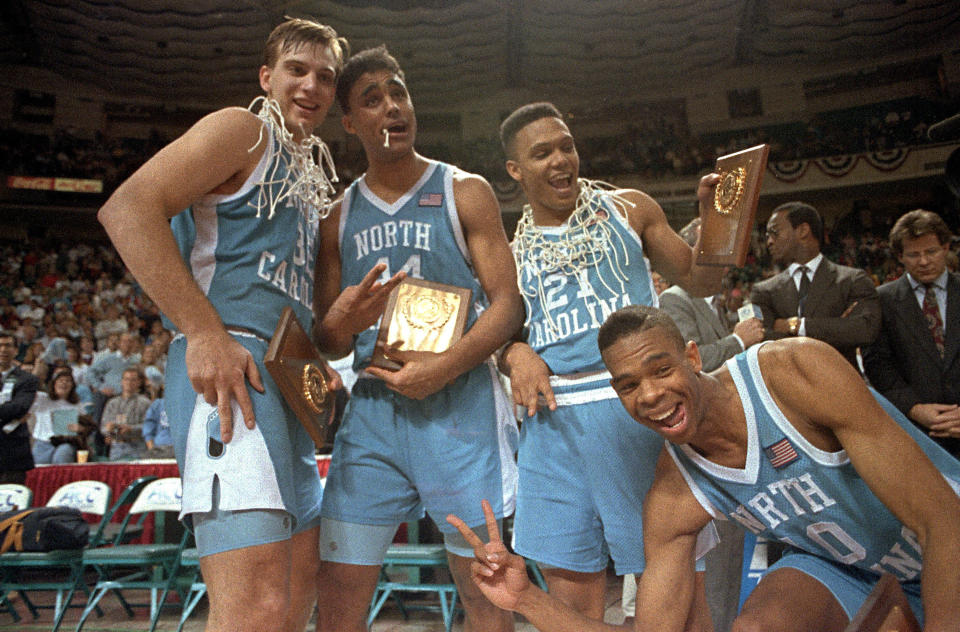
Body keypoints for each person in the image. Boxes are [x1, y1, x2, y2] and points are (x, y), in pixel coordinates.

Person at [450, 304, 960, 632]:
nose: (650, 395)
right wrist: (527, 600)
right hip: (850, 569)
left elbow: (943, 520)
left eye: (662, 369)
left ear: (693, 356)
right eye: (628, 386)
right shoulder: (675, 496)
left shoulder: (792, 372)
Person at [97, 18, 349, 632]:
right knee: (253, 606)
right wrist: (205, 332)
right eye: (297, 69)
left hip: (284, 385)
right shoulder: (243, 130)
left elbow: (297, 314)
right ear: (267, 77)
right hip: (228, 370)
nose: (311, 85)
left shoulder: (312, 178)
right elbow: (127, 208)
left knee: (294, 596)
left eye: (325, 76)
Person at [312, 46, 524, 632]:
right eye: (372, 99)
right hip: (374, 417)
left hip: (459, 412)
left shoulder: (465, 190)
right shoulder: (337, 217)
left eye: (398, 92)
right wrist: (344, 323)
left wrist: (446, 367)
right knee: (339, 590)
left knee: (486, 592)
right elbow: (325, 338)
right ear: (351, 122)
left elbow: (508, 305)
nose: (392, 107)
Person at [494, 102, 721, 624]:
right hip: (553, 427)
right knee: (570, 604)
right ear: (515, 171)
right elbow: (496, 329)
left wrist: (712, 219)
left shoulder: (630, 209)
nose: (560, 160)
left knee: (684, 606)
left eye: (566, 146)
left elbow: (703, 280)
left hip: (640, 411)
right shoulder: (509, 250)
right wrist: (515, 352)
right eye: (542, 153)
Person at [655, 217, 763, 631]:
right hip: (701, 453)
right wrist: (738, 341)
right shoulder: (676, 300)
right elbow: (684, 367)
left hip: (729, 445)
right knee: (714, 570)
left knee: (728, 567)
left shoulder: (717, 302)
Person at [863, 209, 960, 459]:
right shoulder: (882, 299)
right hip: (917, 434)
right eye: (914, 254)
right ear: (900, 256)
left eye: (931, 252)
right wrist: (915, 409)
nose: (924, 261)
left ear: (946, 247)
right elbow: (878, 365)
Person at [750, 201, 880, 369]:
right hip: (788, 388)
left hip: (843, 385)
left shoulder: (853, 280)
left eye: (774, 232)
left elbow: (864, 329)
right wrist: (835, 328)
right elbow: (758, 338)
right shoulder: (762, 291)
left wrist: (796, 325)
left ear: (803, 230)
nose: (769, 241)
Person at [29, 367, 95, 464]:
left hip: (66, 442)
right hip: (43, 442)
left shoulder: (77, 404)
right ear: (54, 383)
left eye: (68, 381)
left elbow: (89, 426)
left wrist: (80, 429)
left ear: (72, 386)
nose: (64, 383)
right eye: (60, 380)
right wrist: (36, 372)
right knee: (39, 468)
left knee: (62, 456)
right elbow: (29, 391)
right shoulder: (43, 399)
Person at [0, 329, 38, 483]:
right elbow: (12, 410)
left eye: (8, 346)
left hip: (12, 453)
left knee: (13, 504)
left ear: (16, 350)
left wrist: (13, 412)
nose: (3, 350)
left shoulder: (27, 379)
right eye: (0, 345)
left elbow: (20, 407)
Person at [101, 367, 151, 461]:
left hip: (138, 447)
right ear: (122, 381)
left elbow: (149, 426)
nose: (129, 382)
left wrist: (131, 428)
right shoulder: (112, 403)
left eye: (133, 380)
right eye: (126, 379)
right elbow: (103, 427)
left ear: (139, 382)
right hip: (117, 447)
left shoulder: (145, 403)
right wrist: (109, 430)